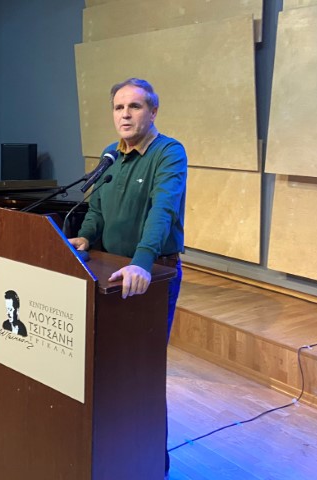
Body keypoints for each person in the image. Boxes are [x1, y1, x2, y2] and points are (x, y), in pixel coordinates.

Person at [67, 78, 187, 476]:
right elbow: (97, 208)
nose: (125, 114)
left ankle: (151, 462)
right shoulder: (110, 155)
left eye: (135, 106)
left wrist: (142, 261)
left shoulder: (168, 152)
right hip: (110, 273)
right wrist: (86, 236)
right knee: (111, 371)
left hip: (151, 274)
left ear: (153, 111)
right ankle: (112, 456)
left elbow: (162, 209)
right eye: (119, 107)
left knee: (142, 370)